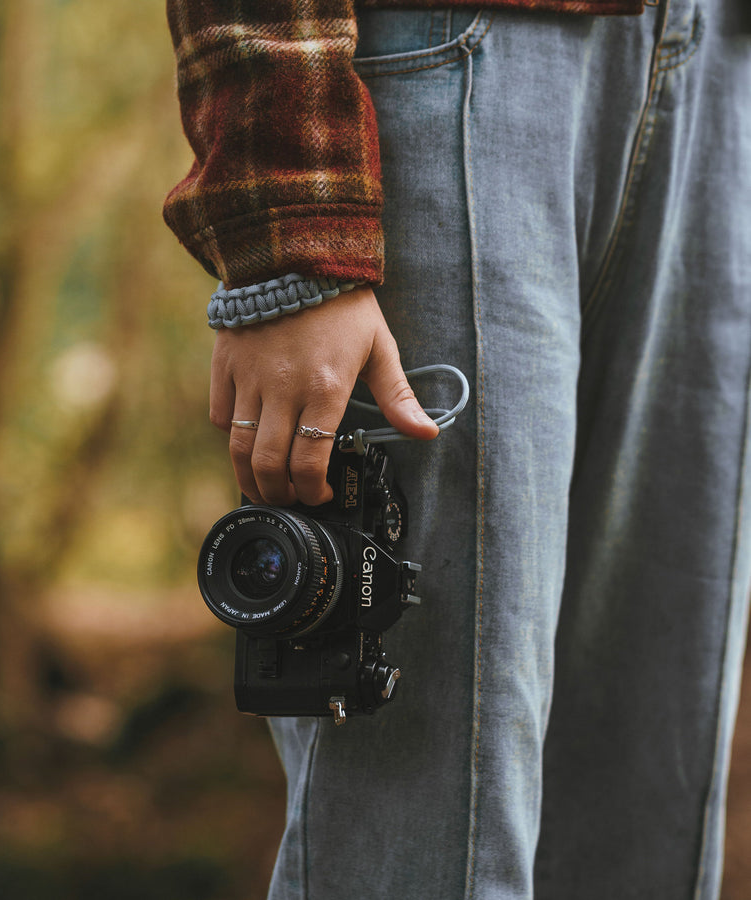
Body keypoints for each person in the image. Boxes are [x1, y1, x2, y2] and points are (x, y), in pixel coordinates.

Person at [164, 1, 751, 897]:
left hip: (721, 79)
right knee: (419, 840)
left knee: (645, 834)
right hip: (450, 51)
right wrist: (288, 215)